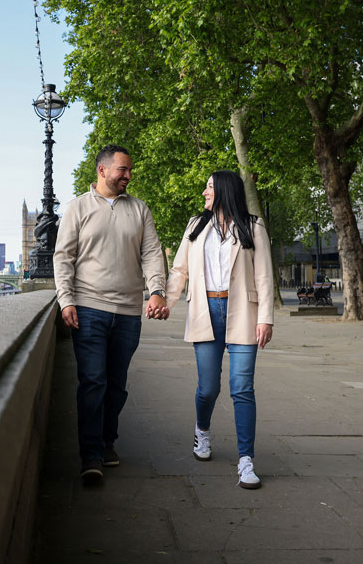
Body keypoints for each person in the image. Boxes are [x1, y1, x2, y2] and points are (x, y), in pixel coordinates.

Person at [54, 144, 168, 485]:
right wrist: (65, 300)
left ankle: (107, 442)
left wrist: (157, 291)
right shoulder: (77, 208)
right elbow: (63, 258)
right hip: (88, 308)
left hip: (128, 311)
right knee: (92, 381)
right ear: (102, 170)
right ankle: (90, 454)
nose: (129, 176)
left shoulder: (140, 209)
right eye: (123, 170)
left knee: (116, 385)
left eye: (130, 170)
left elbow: (150, 253)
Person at [163, 170, 274, 489]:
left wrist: (266, 317)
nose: (204, 192)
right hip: (205, 310)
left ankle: (246, 460)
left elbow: (264, 275)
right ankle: (202, 429)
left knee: (242, 388)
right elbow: (180, 269)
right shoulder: (195, 225)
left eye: (209, 187)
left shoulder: (253, 226)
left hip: (244, 313)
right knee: (208, 388)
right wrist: (165, 302)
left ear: (225, 190)